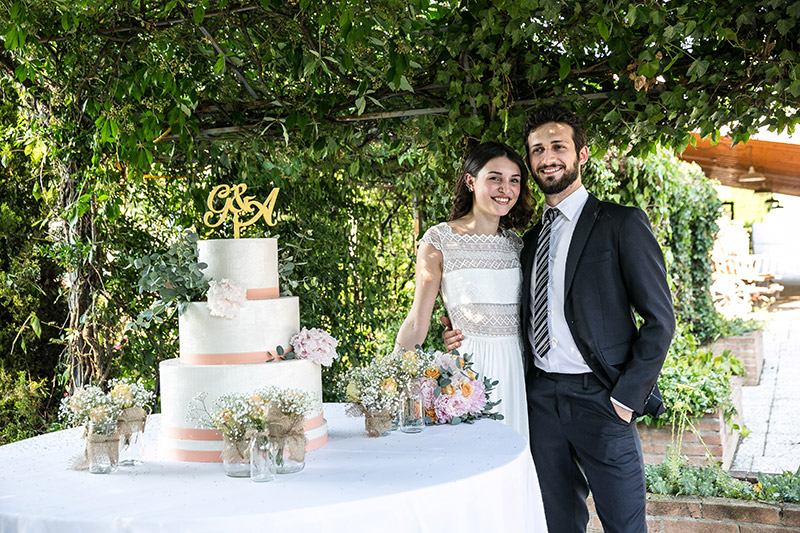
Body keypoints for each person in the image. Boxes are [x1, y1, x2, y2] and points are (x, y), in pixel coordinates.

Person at [444, 105, 675, 533]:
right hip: (539, 401)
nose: (547, 157)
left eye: (558, 147)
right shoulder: (526, 241)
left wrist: (626, 399)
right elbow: (499, 306)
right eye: (537, 150)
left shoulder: (621, 224)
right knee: (555, 523)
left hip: (602, 400)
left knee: (625, 525)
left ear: (581, 154)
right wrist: (453, 329)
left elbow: (661, 319)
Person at [395, 141, 537, 439]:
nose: (505, 188)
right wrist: (392, 377)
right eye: (495, 178)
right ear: (471, 181)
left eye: (514, 180)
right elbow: (417, 320)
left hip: (517, 368)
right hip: (467, 372)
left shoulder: (517, 245)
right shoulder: (438, 240)